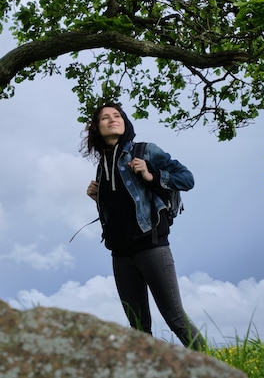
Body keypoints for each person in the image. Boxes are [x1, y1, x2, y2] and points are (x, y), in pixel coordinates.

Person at [82, 102, 207, 351]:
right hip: (120, 255)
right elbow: (120, 206)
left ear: (125, 122)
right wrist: (99, 197)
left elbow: (187, 179)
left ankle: (214, 367)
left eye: (117, 115)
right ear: (96, 128)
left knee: (175, 318)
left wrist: (151, 174)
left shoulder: (145, 151)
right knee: (138, 328)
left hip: (151, 246)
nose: (112, 120)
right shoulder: (102, 166)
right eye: (104, 118)